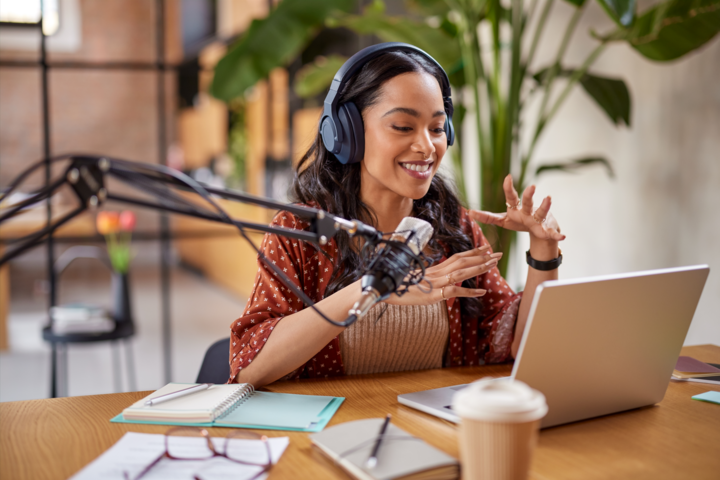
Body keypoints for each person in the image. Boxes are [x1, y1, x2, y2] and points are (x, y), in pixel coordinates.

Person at [229, 44, 564, 387]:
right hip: (334, 432)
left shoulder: (452, 227)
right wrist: (375, 289)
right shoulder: (300, 230)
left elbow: (519, 347)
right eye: (403, 127)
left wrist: (543, 250)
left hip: (432, 431)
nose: (426, 146)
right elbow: (249, 369)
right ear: (347, 133)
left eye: (436, 128)